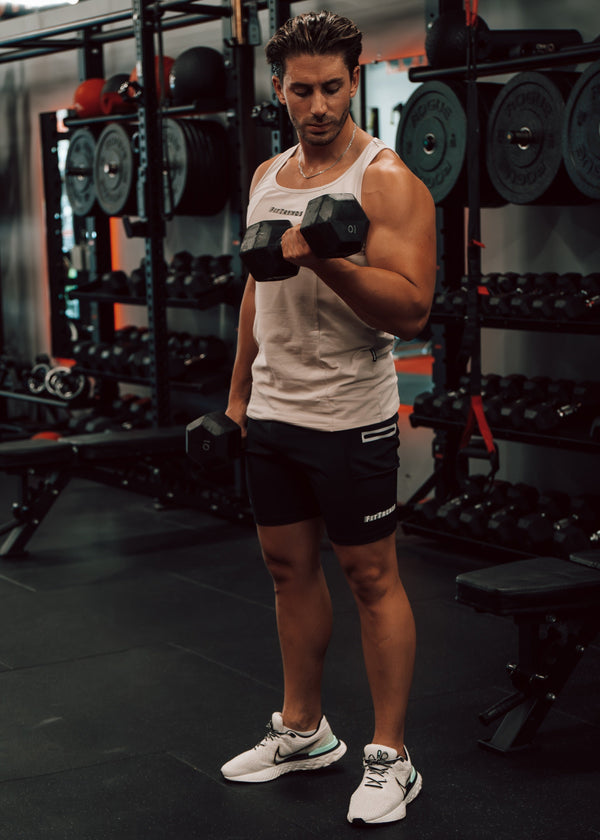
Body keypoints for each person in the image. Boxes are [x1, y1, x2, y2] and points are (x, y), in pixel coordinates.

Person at [220, 9, 436, 826]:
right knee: (286, 573)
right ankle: (304, 730)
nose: (317, 105)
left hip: (351, 416)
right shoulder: (267, 175)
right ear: (278, 88)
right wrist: (239, 396)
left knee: (371, 578)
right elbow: (255, 288)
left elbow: (412, 310)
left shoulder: (387, 183)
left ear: (354, 79)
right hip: (275, 411)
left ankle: (391, 755)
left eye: (333, 87)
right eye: (301, 89)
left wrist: (328, 255)